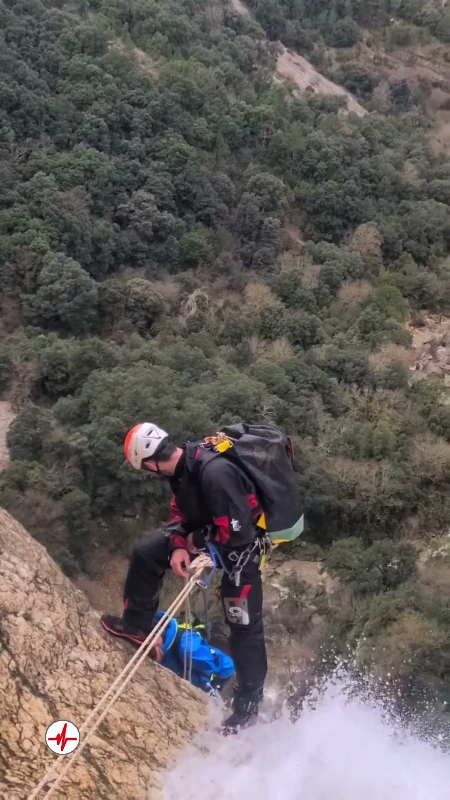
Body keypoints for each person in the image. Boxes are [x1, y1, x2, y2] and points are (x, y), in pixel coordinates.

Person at [101, 422, 268, 734]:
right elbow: (181, 513)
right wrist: (179, 543)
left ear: (150, 464)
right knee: (148, 552)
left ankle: (247, 706)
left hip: (240, 555)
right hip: (206, 540)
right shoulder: (184, 469)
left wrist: (192, 544)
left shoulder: (214, 472)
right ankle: (138, 625)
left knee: (244, 629)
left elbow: (238, 531)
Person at [148, 612, 235, 694]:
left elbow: (224, 665)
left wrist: (210, 685)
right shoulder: (165, 646)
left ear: (156, 641)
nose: (150, 659)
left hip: (219, 671)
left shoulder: (188, 648)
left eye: (151, 655)